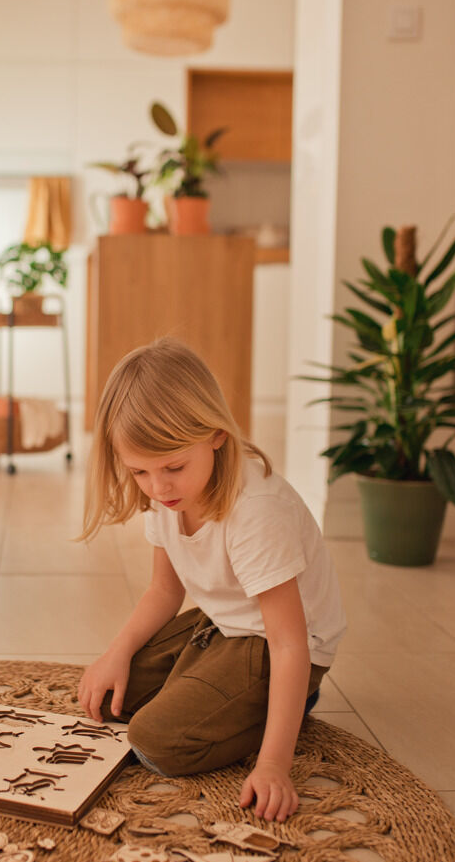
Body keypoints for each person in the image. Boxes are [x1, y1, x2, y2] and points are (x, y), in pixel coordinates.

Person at [78, 338, 346, 823]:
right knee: (112, 701)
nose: (159, 488)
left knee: (156, 742)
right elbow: (164, 590)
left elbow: (289, 645)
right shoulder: (168, 495)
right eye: (139, 472)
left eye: (173, 467)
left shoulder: (257, 513)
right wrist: (114, 652)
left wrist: (273, 765)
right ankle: (227, 694)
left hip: (283, 643)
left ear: (216, 434)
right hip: (227, 620)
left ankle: (292, 704)